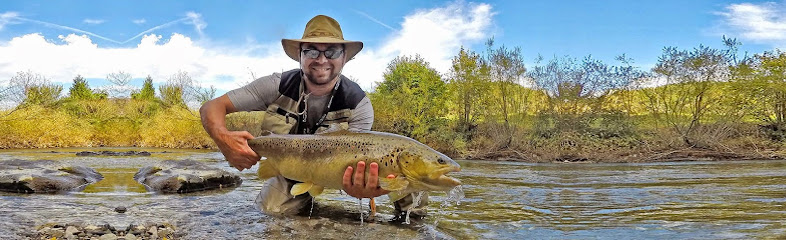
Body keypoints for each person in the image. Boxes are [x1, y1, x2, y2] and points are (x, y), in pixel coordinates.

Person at [199, 15, 427, 218]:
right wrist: (224, 139)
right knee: (270, 211)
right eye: (311, 50)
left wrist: (363, 188)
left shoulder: (358, 104)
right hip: (290, 170)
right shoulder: (276, 85)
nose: (321, 59)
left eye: (332, 51)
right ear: (300, 55)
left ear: (344, 57)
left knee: (410, 176)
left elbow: (361, 166)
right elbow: (212, 106)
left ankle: (413, 226)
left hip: (338, 172)